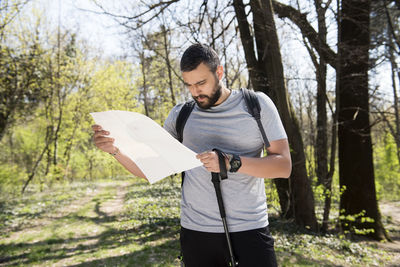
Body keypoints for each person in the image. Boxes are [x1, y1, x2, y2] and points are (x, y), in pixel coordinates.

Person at [92, 43, 291, 267]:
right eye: (189, 85)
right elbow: (150, 168)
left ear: (219, 72)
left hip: (250, 229)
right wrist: (116, 151)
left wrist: (231, 162)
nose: (195, 92)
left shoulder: (257, 106)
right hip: (197, 232)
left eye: (201, 83)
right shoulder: (181, 115)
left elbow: (283, 166)